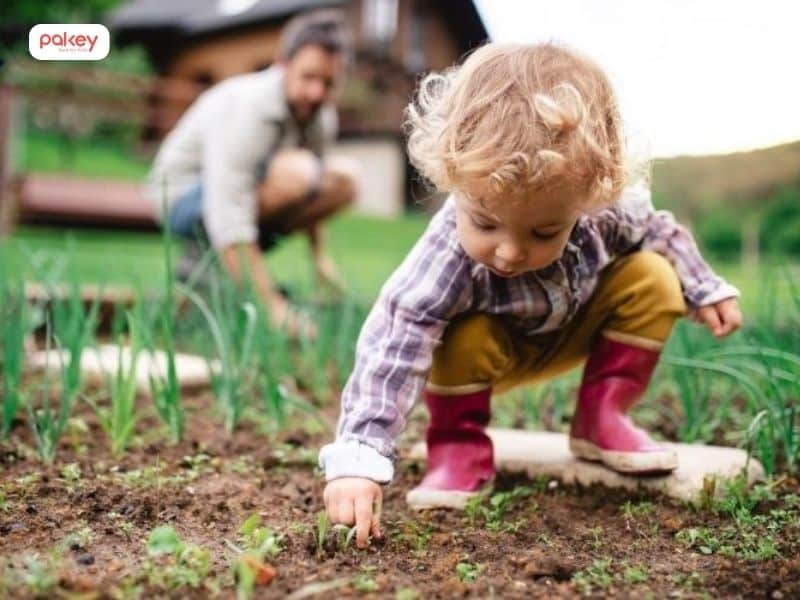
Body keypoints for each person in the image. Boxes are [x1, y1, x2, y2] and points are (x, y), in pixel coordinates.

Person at [318, 42, 743, 548]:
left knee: (652, 275)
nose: (510, 251)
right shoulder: (446, 252)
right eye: (485, 222)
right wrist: (360, 456)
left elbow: (661, 231)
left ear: (588, 197)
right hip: (486, 356)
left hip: (571, 329)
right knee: (453, 331)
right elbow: (395, 337)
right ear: (454, 180)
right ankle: (456, 446)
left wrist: (704, 287)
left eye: (544, 232)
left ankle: (601, 418)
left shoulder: (601, 209)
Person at [146, 10, 358, 336]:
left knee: (343, 181)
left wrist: (320, 261)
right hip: (181, 198)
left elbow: (316, 192)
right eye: (308, 77)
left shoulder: (320, 115)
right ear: (283, 65)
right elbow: (228, 208)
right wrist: (273, 306)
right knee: (299, 172)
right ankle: (214, 269)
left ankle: (217, 272)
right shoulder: (248, 107)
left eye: (328, 83)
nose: (317, 93)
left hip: (240, 195)